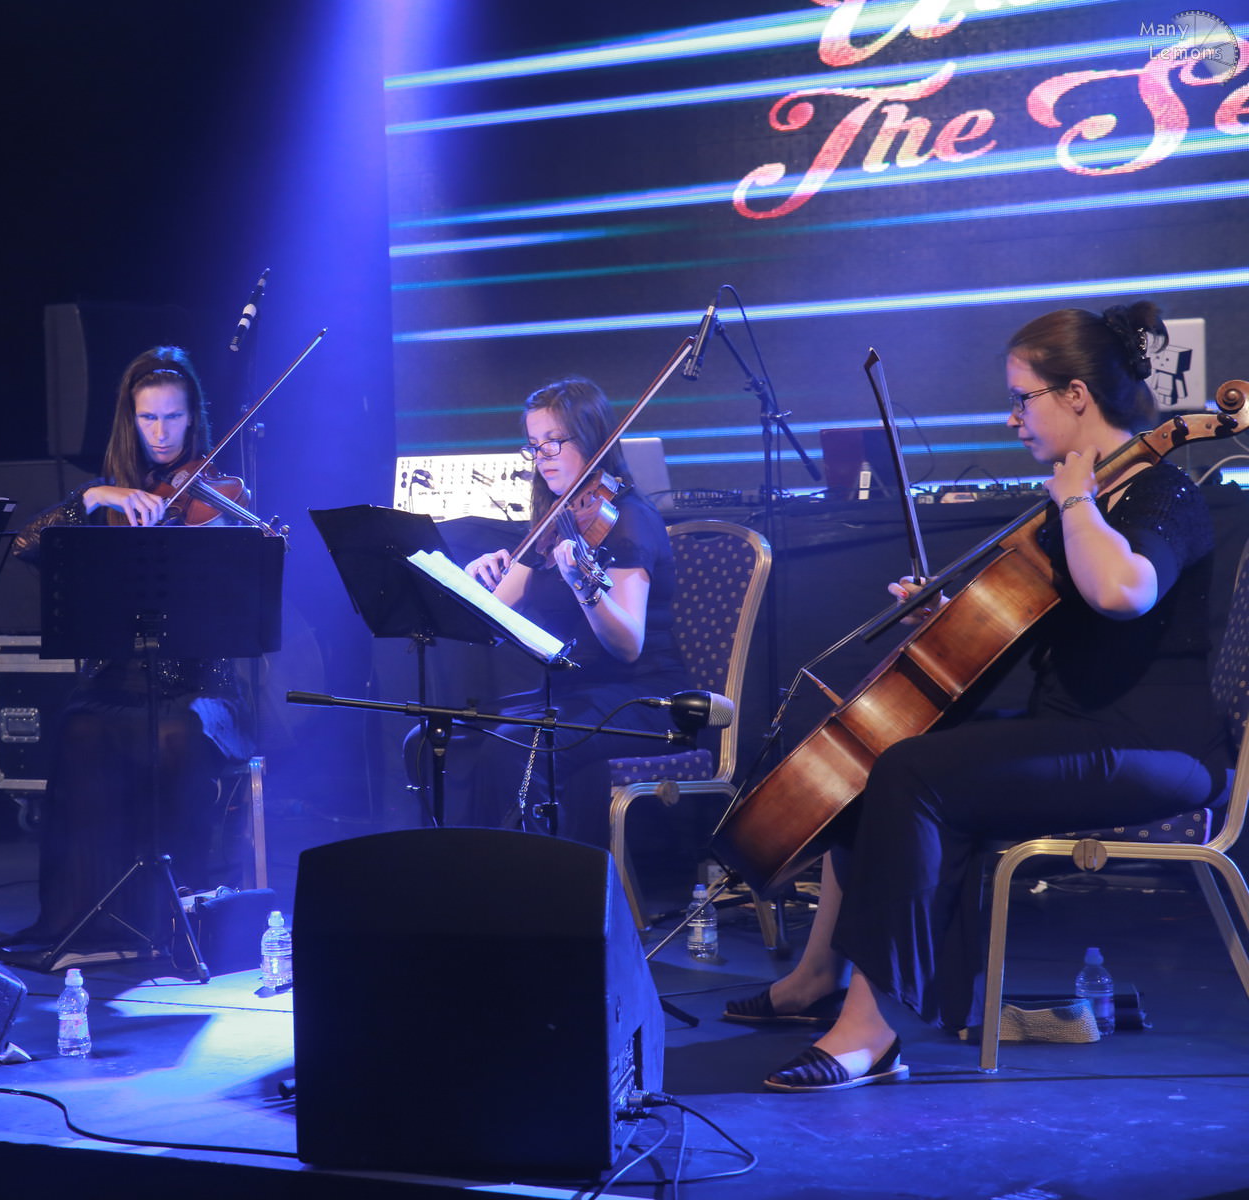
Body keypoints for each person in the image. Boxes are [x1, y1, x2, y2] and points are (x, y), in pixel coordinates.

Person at [726, 301, 1231, 1092]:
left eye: (1022, 398)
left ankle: (869, 1032)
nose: (1010, 418)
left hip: (1157, 749)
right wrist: (944, 617)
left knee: (915, 776)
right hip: (1075, 732)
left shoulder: (1162, 494)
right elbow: (1029, 621)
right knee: (889, 756)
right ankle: (820, 976)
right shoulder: (1078, 506)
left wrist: (1075, 502)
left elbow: (1123, 592)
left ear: (1075, 396)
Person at [7, 345, 255, 952]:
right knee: (80, 728)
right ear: (131, 420)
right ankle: (88, 919)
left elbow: (243, 599)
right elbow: (25, 546)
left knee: (174, 736)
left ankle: (171, 921)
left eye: (173, 417)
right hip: (118, 678)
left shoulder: (218, 494)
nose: (162, 433)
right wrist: (96, 498)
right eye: (149, 418)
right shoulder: (107, 497)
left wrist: (230, 541)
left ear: (193, 419)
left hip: (200, 684)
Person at [411, 377, 691, 848]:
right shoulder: (557, 519)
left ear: (592, 438)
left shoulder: (629, 518)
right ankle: (459, 870)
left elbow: (628, 645)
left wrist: (584, 586)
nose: (542, 457)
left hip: (642, 699)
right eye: (535, 445)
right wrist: (472, 578)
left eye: (555, 442)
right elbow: (494, 611)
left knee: (515, 746)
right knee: (433, 741)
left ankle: (532, 880)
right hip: (574, 696)